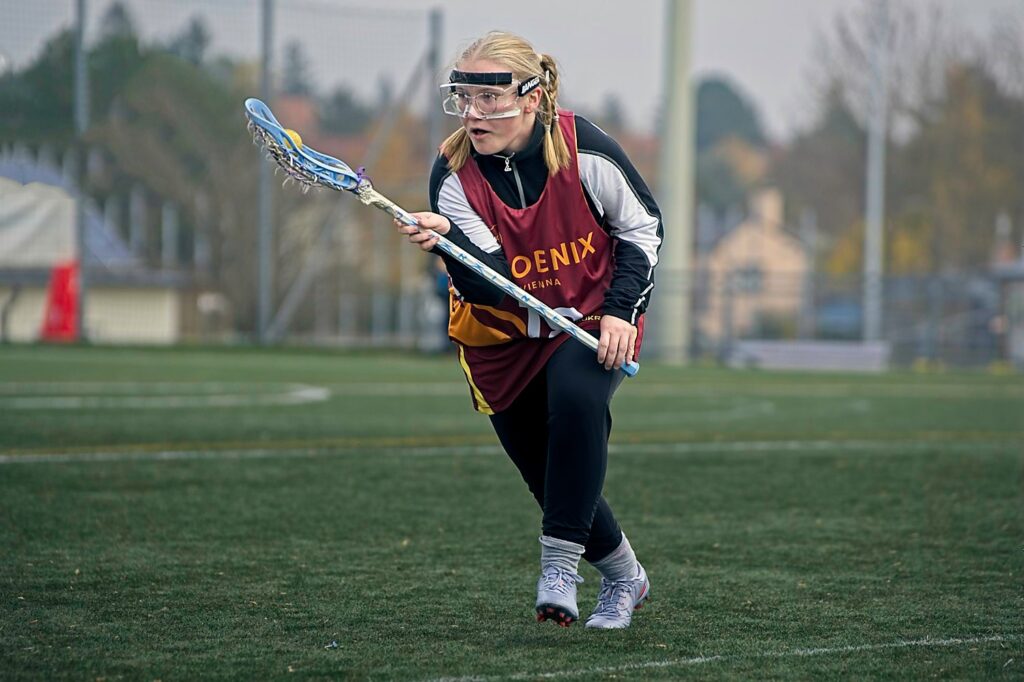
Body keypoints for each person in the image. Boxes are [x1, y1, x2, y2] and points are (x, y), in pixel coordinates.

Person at [395, 31, 663, 629]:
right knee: (549, 475)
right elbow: (492, 286)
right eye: (464, 98)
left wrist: (621, 309)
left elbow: (642, 229)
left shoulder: (585, 148)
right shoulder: (453, 175)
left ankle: (558, 569)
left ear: (532, 97)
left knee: (577, 401)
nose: (473, 113)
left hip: (591, 317)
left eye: (489, 98)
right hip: (501, 338)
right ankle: (626, 577)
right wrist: (451, 243)